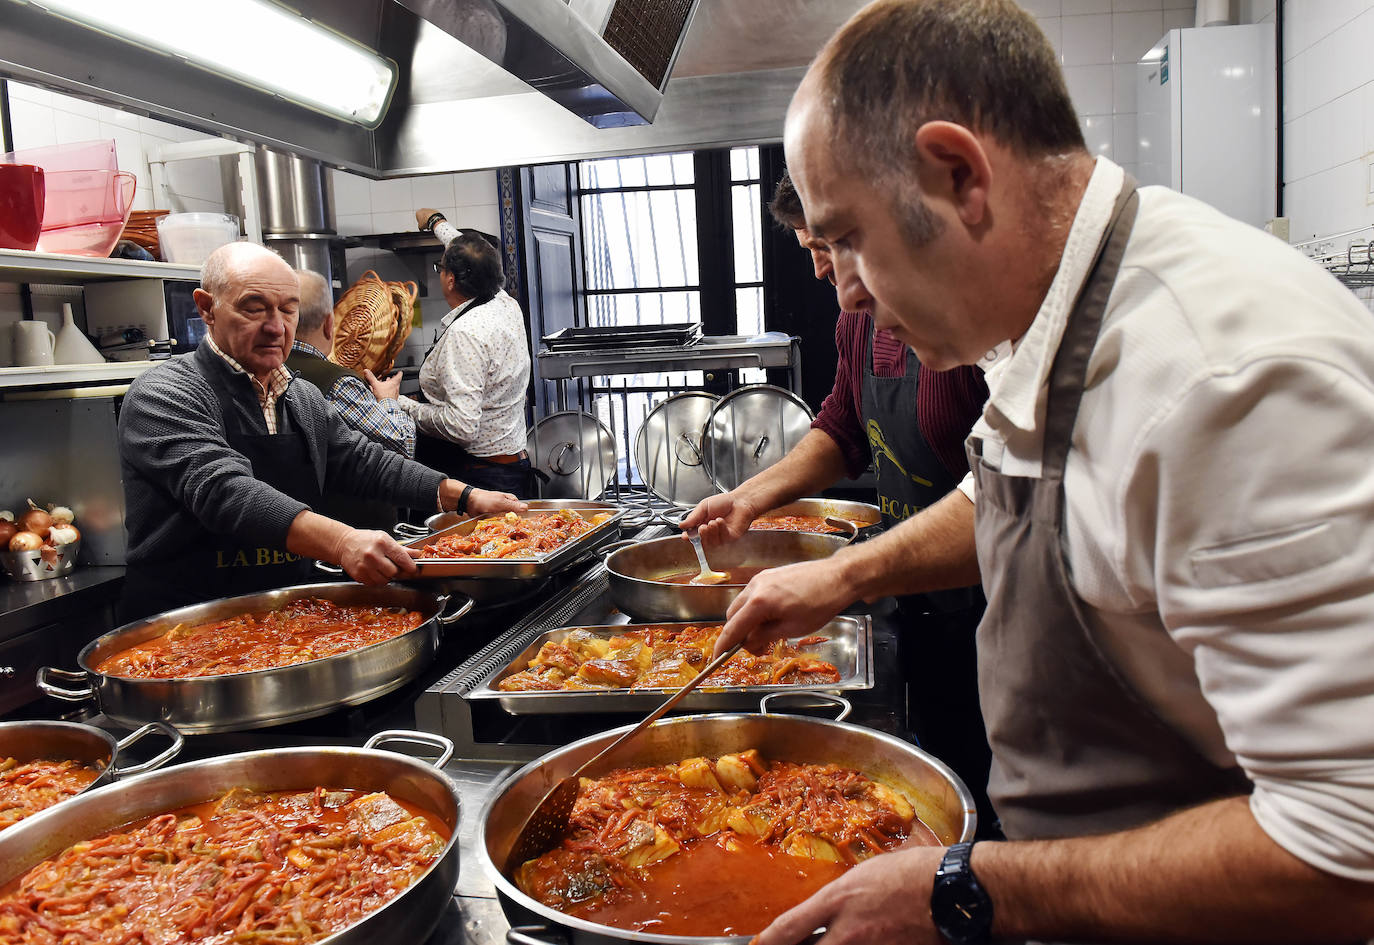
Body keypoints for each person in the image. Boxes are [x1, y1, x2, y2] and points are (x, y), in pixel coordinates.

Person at [721, 1, 1374, 943]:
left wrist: (967, 890)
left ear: (959, 176)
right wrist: (843, 575)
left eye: (850, 238)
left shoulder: (1222, 379)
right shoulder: (1051, 315)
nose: (850, 288)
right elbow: (1011, 494)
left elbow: (1346, 850)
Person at [682, 169, 995, 834]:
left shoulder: (968, 314)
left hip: (988, 601)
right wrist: (747, 498)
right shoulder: (859, 316)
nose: (831, 277)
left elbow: (1005, 495)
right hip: (912, 586)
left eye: (831, 246)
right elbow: (843, 427)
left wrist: (839, 574)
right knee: (938, 776)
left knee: (984, 793)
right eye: (817, 252)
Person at [117, 241, 523, 621]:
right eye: (255, 308)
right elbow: (225, 491)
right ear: (207, 309)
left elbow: (364, 463)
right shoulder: (165, 393)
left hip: (286, 619)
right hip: (186, 632)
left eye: (287, 310)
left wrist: (466, 496)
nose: (276, 327)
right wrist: (343, 541)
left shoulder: (299, 395)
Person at [367, 209, 533, 496]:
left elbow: (461, 426)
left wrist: (400, 403)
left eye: (440, 268)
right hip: (511, 466)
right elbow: (468, 252)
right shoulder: (504, 302)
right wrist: (436, 222)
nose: (440, 273)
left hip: (481, 476)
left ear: (451, 280)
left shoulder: (464, 334)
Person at [286, 268, 417, 529]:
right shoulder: (337, 382)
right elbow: (402, 447)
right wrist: (388, 400)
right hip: (350, 532)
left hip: (294, 528)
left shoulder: (266, 370)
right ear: (329, 323)